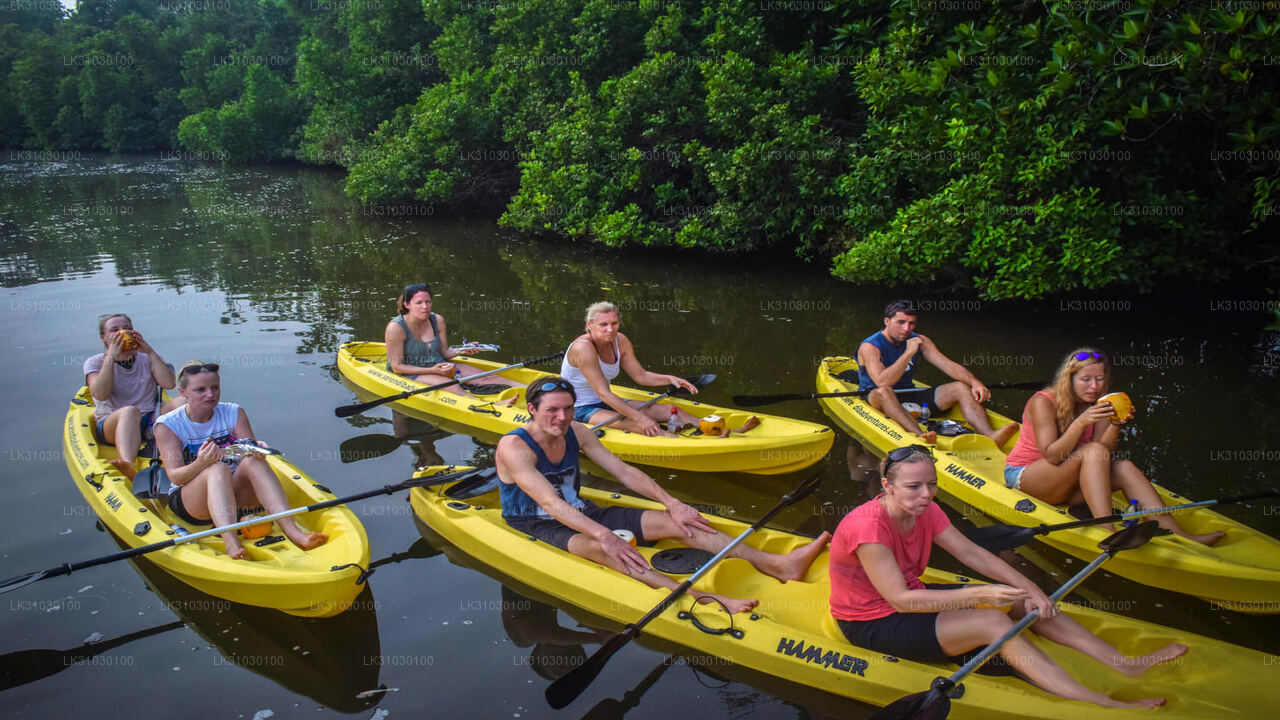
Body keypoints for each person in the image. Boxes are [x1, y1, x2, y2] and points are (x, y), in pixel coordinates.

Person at [830, 445, 1183, 710]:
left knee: (1019, 599)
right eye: (913, 487)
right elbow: (899, 600)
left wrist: (1029, 589)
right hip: (871, 621)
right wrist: (982, 594)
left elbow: (972, 553)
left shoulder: (926, 509)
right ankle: (1097, 701)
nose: (926, 495)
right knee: (990, 621)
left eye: (931, 485)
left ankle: (1127, 665)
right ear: (888, 487)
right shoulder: (869, 527)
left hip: (910, 598)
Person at [495, 376, 828, 613]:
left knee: (683, 524)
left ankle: (778, 564)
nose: (563, 417)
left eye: (568, 408)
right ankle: (703, 598)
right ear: (532, 409)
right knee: (611, 550)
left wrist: (674, 503)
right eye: (553, 410)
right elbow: (550, 504)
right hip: (537, 523)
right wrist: (605, 536)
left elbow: (624, 472)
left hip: (585, 510)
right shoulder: (515, 447)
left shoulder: (578, 431)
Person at [1004, 348, 1223, 545]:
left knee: (1123, 466)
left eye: (1099, 379)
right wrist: (1081, 422)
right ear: (1069, 379)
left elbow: (1103, 452)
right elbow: (1053, 456)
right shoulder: (1043, 401)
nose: (1094, 386)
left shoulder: (1101, 403)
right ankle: (1106, 528)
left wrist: (1116, 424)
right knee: (1092, 450)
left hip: (1068, 481)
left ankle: (1178, 534)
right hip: (1028, 475)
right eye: (1086, 379)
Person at [154, 361, 327, 559]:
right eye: (200, 390)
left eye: (215, 388)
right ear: (183, 392)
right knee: (216, 468)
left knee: (254, 461)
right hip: (193, 501)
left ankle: (294, 532)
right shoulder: (168, 425)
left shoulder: (234, 412)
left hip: (234, 495)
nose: (210, 394)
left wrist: (256, 451)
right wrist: (200, 463)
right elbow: (175, 477)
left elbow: (248, 452)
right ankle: (231, 543)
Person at [561, 301, 758, 437]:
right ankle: (677, 443)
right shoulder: (583, 349)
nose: (610, 329)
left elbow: (641, 375)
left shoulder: (620, 341)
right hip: (578, 408)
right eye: (603, 325)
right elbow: (604, 394)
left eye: (614, 323)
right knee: (642, 424)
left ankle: (724, 432)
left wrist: (670, 379)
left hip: (606, 402)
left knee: (670, 411)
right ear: (589, 325)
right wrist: (640, 418)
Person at [857, 300, 1018, 447]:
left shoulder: (920, 340)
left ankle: (990, 435)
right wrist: (908, 353)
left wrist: (974, 382)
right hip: (876, 397)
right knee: (884, 391)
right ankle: (921, 436)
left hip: (909, 394)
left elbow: (947, 365)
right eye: (901, 322)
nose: (907, 329)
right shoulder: (870, 346)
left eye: (911, 323)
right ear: (887, 321)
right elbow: (883, 382)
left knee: (961, 387)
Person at [385, 283, 523, 403]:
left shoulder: (437, 320)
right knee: (451, 385)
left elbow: (444, 353)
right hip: (412, 372)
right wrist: (432, 370)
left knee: (487, 378)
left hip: (440, 365)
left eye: (428, 302)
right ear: (407, 304)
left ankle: (535, 388)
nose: (425, 307)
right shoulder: (396, 328)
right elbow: (397, 367)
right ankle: (490, 405)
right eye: (419, 303)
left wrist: (464, 349)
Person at [84, 313, 178, 479]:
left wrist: (149, 351)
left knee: (183, 401)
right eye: (114, 330)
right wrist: (111, 357)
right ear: (103, 338)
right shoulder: (95, 362)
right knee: (129, 411)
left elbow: (169, 384)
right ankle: (128, 463)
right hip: (113, 423)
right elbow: (100, 393)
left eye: (127, 328)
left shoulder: (148, 357)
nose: (122, 332)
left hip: (149, 420)